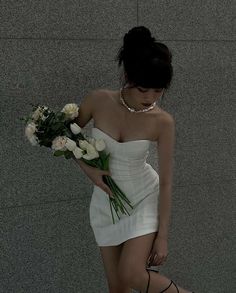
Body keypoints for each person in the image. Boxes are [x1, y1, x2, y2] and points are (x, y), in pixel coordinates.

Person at [73, 26, 194, 293]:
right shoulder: (98, 100)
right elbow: (66, 137)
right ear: (127, 76)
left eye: (158, 91)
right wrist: (89, 170)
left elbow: (166, 183)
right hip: (106, 203)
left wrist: (162, 236)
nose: (150, 98)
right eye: (142, 90)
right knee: (117, 288)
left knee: (131, 275)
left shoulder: (162, 121)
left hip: (143, 198)